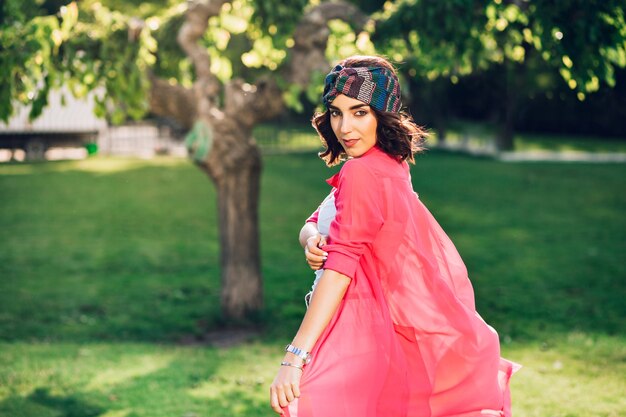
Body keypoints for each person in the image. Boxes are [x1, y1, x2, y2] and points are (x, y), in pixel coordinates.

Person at [270, 55, 520, 417]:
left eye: (359, 112)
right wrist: (310, 239)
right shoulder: (389, 164)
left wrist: (294, 357)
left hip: (356, 334)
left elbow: (341, 267)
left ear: (381, 113)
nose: (344, 127)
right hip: (374, 332)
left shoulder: (362, 173)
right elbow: (317, 220)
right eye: (336, 112)